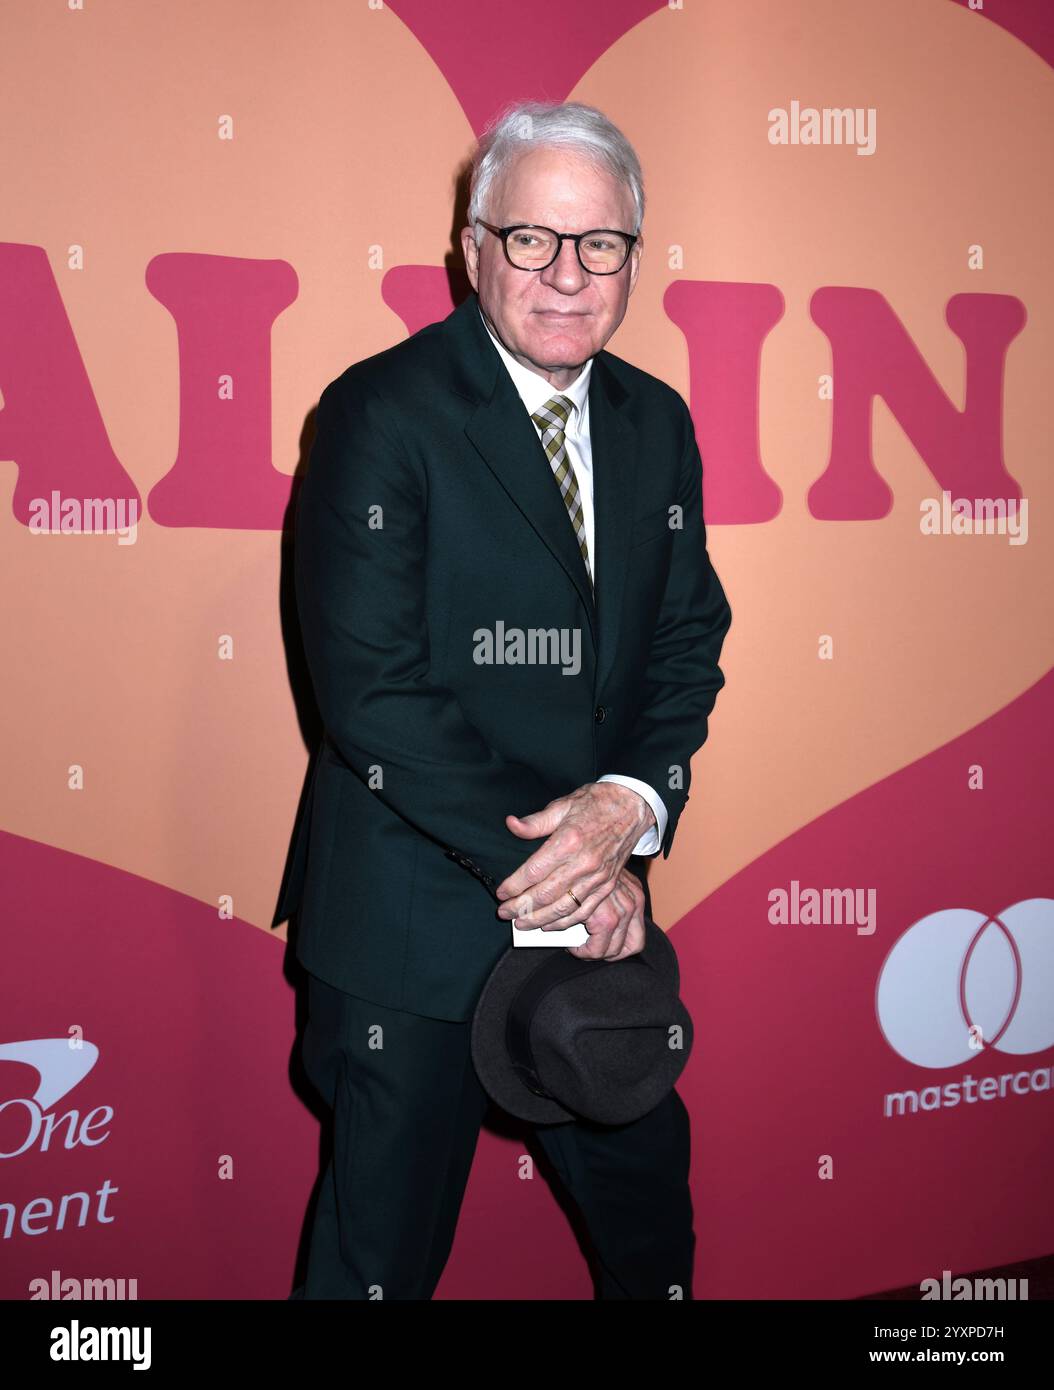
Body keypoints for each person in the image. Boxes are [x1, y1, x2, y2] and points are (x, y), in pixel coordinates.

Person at [274, 99, 732, 1300]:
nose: (568, 276)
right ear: (471, 248)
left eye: (601, 245)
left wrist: (630, 805)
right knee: (377, 1259)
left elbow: (687, 638)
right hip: (417, 916)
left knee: (650, 1230)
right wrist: (571, 865)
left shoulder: (656, 422)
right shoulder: (380, 414)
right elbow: (372, 694)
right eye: (531, 239)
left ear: (637, 254)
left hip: (595, 911)